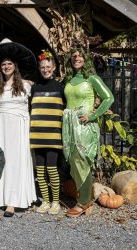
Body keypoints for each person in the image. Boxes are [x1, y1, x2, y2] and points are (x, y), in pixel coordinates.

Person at [0, 38, 37, 217]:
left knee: (16, 161)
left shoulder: (27, 86)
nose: (6, 66)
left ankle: (13, 200)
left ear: (15, 66)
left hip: (18, 127)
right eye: (3, 64)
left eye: (9, 63)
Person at [63, 47, 114, 217]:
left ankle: (84, 202)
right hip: (70, 126)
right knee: (73, 162)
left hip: (84, 126)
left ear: (85, 59)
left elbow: (109, 98)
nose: (76, 58)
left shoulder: (92, 78)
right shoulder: (69, 80)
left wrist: (94, 116)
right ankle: (85, 197)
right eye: (73, 56)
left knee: (81, 161)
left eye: (80, 55)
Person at [30, 50, 65, 215]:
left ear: (54, 67)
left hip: (53, 135)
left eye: (48, 67)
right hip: (36, 135)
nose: (45, 70)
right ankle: (45, 201)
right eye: (42, 67)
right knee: (40, 170)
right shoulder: (34, 87)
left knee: (52, 168)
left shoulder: (61, 87)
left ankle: (56, 202)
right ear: (39, 68)